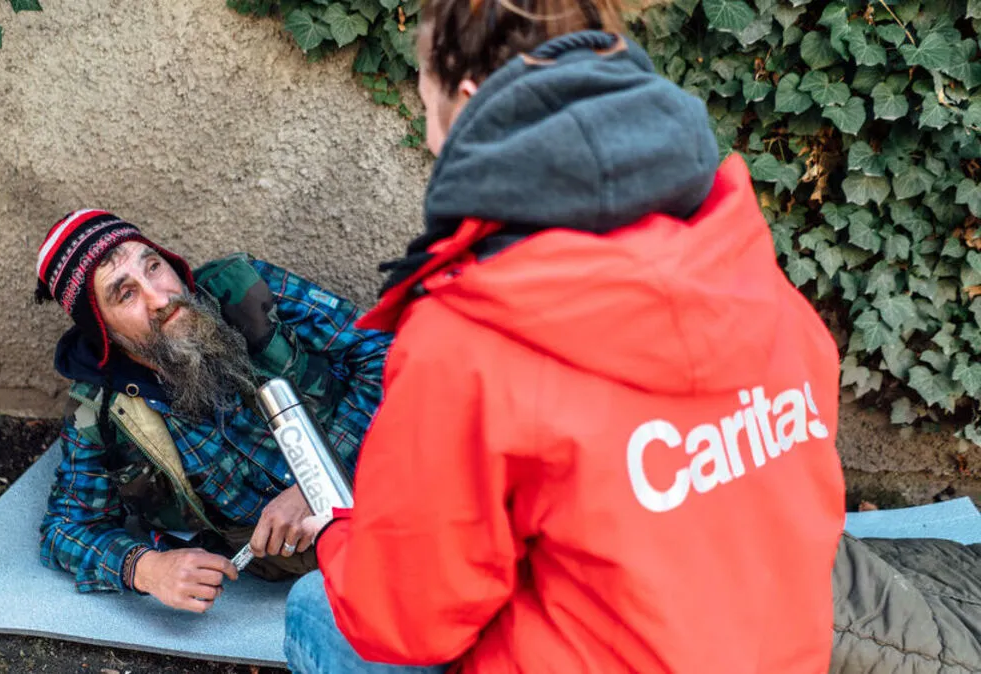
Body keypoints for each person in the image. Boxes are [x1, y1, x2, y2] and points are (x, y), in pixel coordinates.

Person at [283, 0, 847, 671]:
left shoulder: (468, 337)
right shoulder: (744, 261)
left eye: (425, 97)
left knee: (318, 605)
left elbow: (404, 621)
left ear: (466, 101)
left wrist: (341, 536)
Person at [33, 209, 390, 613]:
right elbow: (66, 528)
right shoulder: (101, 410)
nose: (161, 298)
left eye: (153, 267)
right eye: (126, 294)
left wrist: (319, 478)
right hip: (303, 558)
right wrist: (147, 568)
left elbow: (387, 353)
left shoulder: (247, 291)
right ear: (103, 330)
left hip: (384, 467)